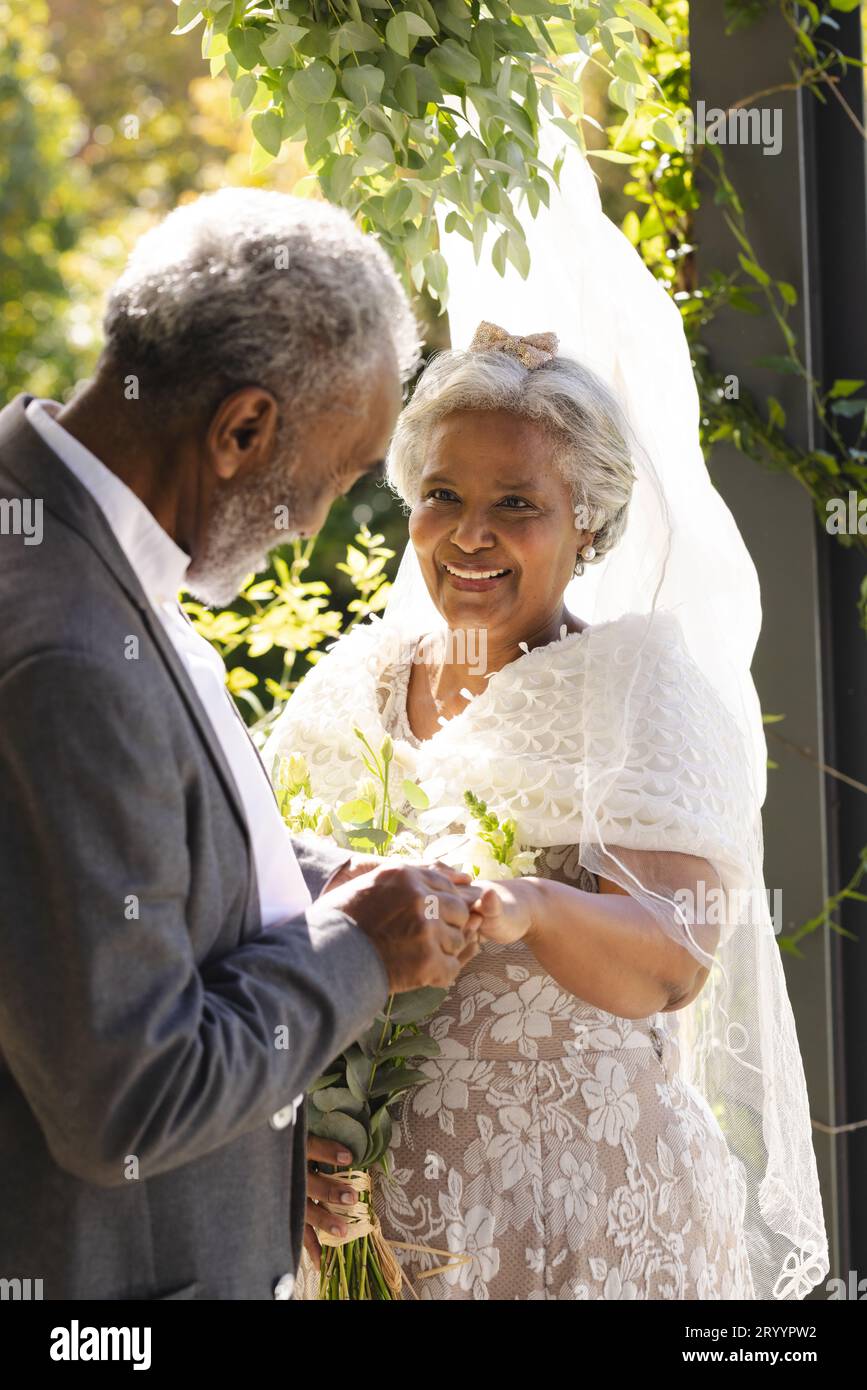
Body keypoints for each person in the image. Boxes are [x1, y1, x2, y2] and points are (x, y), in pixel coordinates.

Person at [267, 324, 828, 1300]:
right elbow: (267, 925)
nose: (469, 533)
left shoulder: (639, 687)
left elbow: (672, 962)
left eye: (516, 504)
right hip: (384, 1236)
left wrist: (529, 906)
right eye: (442, 495)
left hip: (588, 1219)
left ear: (590, 524)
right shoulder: (346, 691)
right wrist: (294, 1143)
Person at [0, 188, 482, 1301]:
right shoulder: (65, 650)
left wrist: (309, 875)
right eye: (339, 476)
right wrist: (359, 946)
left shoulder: (67, 535)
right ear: (244, 430)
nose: (317, 524)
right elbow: (127, 1099)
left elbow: (94, 872)